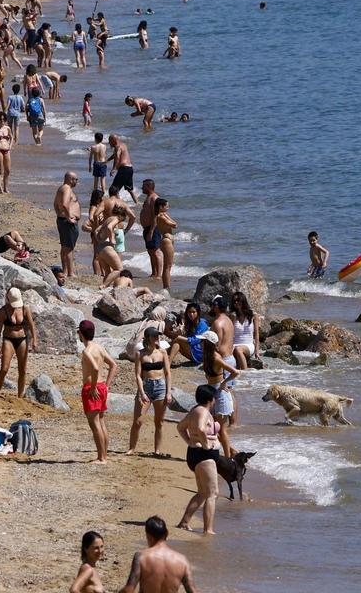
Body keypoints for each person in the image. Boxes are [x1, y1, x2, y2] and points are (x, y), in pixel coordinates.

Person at [175, 385, 222, 535]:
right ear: (210, 399)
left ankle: (184, 522)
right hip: (204, 455)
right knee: (212, 493)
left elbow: (180, 427)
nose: (215, 400)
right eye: (215, 398)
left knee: (203, 492)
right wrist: (206, 445)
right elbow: (201, 429)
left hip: (196, 453)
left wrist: (189, 441)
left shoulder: (195, 410)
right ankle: (208, 530)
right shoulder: (203, 411)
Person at [128, 325, 172, 457]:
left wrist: (168, 392)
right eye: (154, 336)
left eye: (158, 336)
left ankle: (157, 450)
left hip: (160, 386)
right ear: (148, 338)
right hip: (146, 386)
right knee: (138, 421)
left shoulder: (163, 352)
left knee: (159, 421)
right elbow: (138, 375)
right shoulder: (140, 354)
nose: (157, 338)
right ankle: (131, 448)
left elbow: (168, 373)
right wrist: (141, 392)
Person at [120, 516, 198, 591]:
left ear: (148, 536)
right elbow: (193, 591)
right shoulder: (182, 560)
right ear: (167, 533)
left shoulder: (141, 557)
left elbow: (129, 590)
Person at [79, 320, 117, 463]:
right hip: (101, 386)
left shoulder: (87, 350)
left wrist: (93, 387)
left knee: (95, 425)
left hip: (92, 388)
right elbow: (113, 365)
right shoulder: (99, 347)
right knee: (101, 422)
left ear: (81, 334)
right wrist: (106, 385)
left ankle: (102, 458)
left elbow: (95, 368)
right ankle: (104, 455)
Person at [199, 332, 238, 456]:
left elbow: (235, 372)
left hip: (220, 395)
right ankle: (231, 451)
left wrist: (224, 383)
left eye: (203, 341)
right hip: (211, 393)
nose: (200, 343)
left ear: (208, 344)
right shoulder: (207, 355)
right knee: (213, 428)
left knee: (221, 430)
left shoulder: (216, 358)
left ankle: (227, 458)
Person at [0, 287, 37, 398]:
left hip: (22, 338)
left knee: (22, 369)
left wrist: (34, 340)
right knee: (4, 368)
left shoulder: (25, 309)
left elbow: (32, 325)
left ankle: (20, 396)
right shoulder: (3, 311)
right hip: (8, 339)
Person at [54, 172, 81, 277]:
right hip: (67, 222)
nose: (77, 182)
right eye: (76, 179)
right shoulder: (67, 189)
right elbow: (65, 204)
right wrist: (68, 217)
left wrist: (60, 214)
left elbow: (56, 204)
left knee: (65, 247)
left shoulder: (61, 188)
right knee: (69, 248)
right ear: (70, 179)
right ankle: (70, 272)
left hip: (63, 220)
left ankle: (65, 271)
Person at [230, 291, 260, 370]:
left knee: (238, 349)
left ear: (243, 300)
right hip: (234, 345)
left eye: (238, 300)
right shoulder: (233, 316)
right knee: (235, 351)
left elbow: (256, 334)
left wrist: (257, 351)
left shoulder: (253, 315)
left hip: (248, 345)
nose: (236, 303)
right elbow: (230, 334)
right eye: (234, 301)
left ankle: (245, 374)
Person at [154, 198, 178, 295]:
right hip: (166, 240)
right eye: (166, 206)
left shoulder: (164, 215)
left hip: (168, 239)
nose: (168, 207)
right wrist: (170, 220)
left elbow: (174, 223)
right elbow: (174, 224)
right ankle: (166, 287)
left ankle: (167, 287)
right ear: (161, 207)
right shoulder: (160, 216)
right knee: (167, 266)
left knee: (169, 265)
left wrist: (168, 217)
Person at [106, 135, 136, 203]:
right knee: (130, 189)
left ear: (114, 140)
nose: (109, 143)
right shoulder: (123, 145)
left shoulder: (117, 147)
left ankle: (118, 206)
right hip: (130, 168)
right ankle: (136, 203)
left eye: (110, 141)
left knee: (113, 190)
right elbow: (115, 154)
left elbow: (117, 156)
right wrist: (108, 160)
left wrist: (114, 169)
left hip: (124, 169)